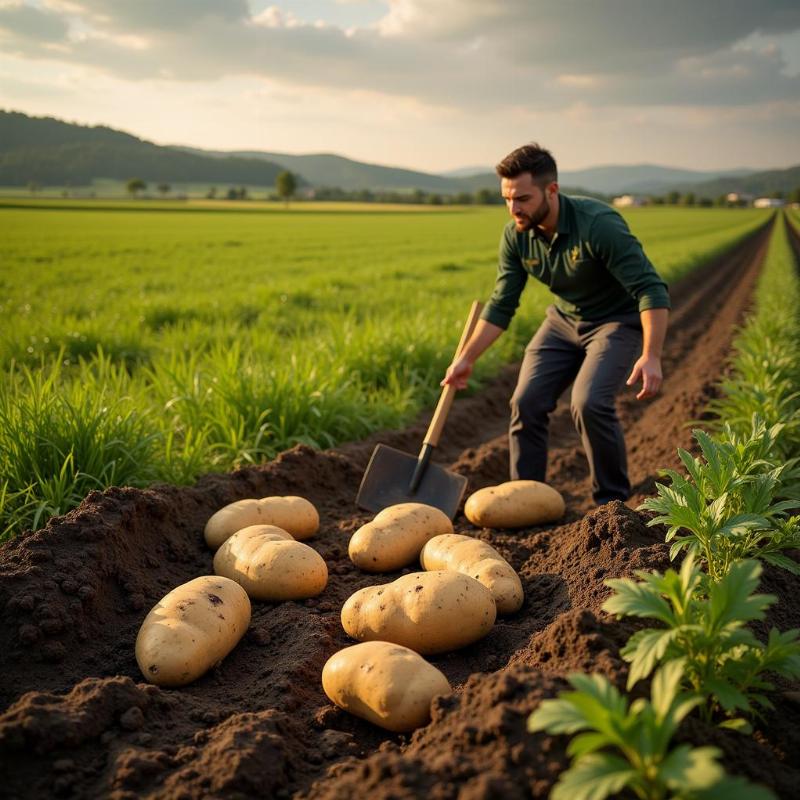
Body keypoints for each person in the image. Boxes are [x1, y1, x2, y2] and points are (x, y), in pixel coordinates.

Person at [442, 143, 670, 505]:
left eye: (523, 198)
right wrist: (467, 358)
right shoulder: (516, 236)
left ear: (552, 190)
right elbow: (502, 304)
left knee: (589, 402)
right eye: (507, 198)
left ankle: (611, 504)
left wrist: (652, 354)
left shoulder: (599, 225)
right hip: (563, 322)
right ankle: (526, 499)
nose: (514, 208)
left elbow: (650, 289)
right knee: (526, 401)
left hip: (615, 322)